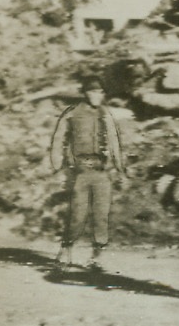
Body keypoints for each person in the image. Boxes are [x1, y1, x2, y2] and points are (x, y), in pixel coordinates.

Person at [49, 74, 125, 269]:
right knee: (77, 214)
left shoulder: (105, 114)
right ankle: (66, 249)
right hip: (79, 172)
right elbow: (58, 139)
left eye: (100, 92)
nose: (97, 95)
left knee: (101, 215)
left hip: (101, 171)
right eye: (92, 91)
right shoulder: (72, 113)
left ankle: (96, 257)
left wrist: (120, 167)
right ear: (85, 93)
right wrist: (57, 166)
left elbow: (114, 141)